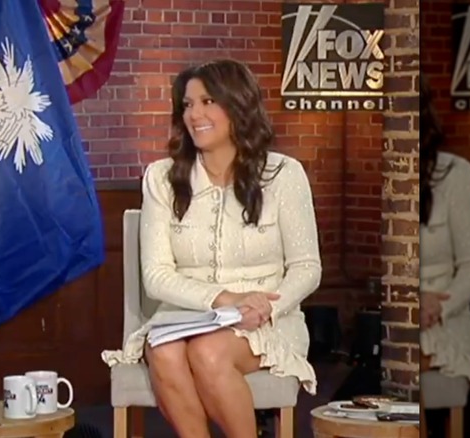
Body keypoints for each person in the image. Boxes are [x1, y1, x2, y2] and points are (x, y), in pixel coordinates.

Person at [101, 59, 322, 438]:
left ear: (237, 105)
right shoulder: (163, 179)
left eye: (207, 102)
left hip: (266, 320)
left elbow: (307, 267)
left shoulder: (283, 175)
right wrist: (226, 299)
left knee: (208, 352)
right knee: (165, 351)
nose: (194, 115)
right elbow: (156, 277)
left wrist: (266, 304)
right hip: (183, 318)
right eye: (187, 105)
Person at [419, 75, 470, 436]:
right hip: (401, 322)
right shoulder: (387, 172)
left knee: (403, 362)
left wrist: (436, 306)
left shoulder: (455, 174)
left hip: (446, 320)